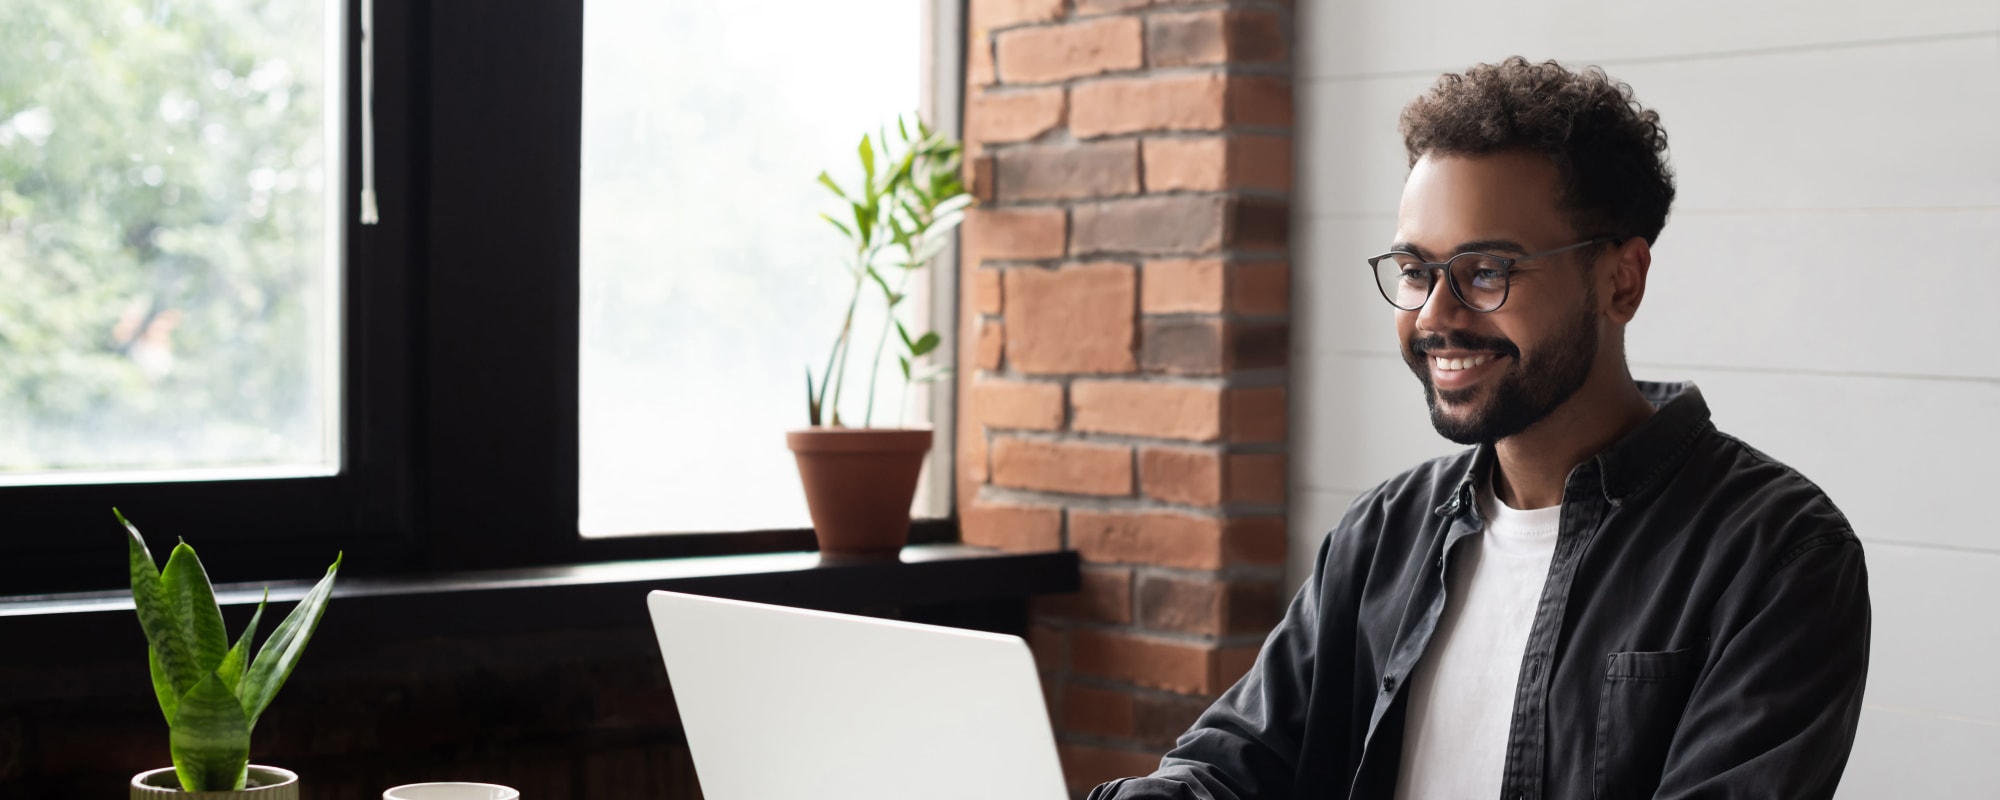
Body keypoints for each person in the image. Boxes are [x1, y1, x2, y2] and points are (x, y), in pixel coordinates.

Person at [1087, 57, 1871, 800]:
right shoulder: (1385, 533)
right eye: (1417, 271)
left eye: (1486, 271)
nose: (1435, 315)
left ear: (1620, 280)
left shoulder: (1775, 552)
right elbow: (1233, 766)